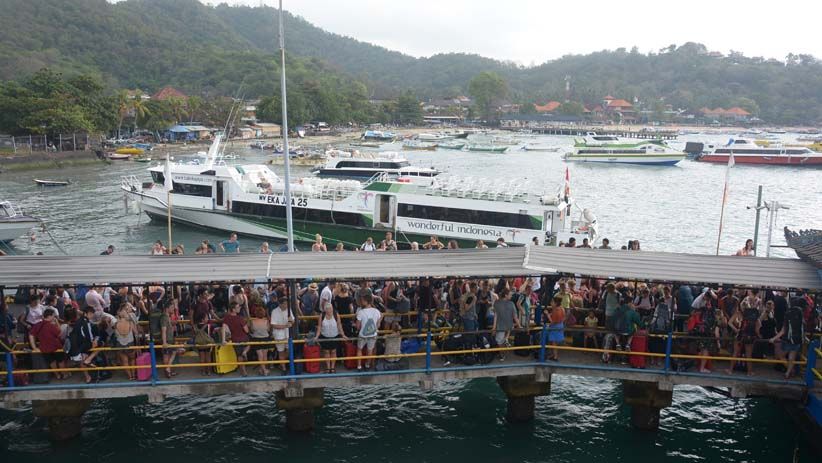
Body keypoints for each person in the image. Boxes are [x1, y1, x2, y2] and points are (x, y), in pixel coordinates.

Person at [769, 299, 806, 379]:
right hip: (798, 339)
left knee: (781, 355)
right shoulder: (800, 313)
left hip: (788, 340)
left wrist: (773, 338)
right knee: (791, 357)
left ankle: (791, 371)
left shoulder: (788, 313)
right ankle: (788, 373)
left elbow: (783, 330)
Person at [29, 308, 67, 380]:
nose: (54, 317)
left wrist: (34, 347)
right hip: (56, 347)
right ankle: (64, 374)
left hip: (44, 348)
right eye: (53, 316)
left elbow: (31, 335)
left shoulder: (38, 325)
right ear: (49, 316)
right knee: (60, 360)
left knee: (51, 362)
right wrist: (57, 323)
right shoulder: (51, 326)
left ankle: (57, 375)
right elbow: (60, 334)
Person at [726, 300, 759, 376]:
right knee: (748, 355)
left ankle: (730, 370)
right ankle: (749, 372)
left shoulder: (738, 313)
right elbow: (758, 325)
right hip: (749, 336)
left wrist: (736, 330)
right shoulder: (752, 315)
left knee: (735, 353)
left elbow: (729, 322)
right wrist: (757, 334)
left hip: (740, 335)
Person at [314, 301, 347, 373]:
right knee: (326, 352)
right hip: (325, 336)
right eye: (328, 309)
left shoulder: (336, 315)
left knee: (333, 351)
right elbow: (319, 326)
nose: (330, 311)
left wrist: (343, 334)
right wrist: (317, 336)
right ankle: (328, 367)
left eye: (331, 309)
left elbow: (339, 325)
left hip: (334, 336)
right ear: (325, 310)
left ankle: (332, 367)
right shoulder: (322, 315)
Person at [355, 289, 382, 371]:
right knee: (370, 350)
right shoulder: (377, 311)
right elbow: (378, 325)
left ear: (365, 301)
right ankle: (367, 365)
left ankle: (359, 366)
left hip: (363, 335)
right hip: (373, 334)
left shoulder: (361, 312)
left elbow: (357, 326)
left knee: (359, 349)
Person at [222, 301, 249, 377]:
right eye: (238, 307)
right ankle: (245, 351)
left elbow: (223, 328)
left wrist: (223, 340)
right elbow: (247, 330)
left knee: (239, 355)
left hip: (235, 339)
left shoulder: (227, 318)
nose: (239, 308)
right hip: (244, 338)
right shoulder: (240, 318)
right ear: (233, 309)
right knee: (248, 345)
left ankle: (243, 371)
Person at [492, 288, 520, 361]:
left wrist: (494, 327)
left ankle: (502, 354)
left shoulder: (497, 303)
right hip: (509, 326)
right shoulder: (511, 304)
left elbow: (495, 315)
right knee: (501, 341)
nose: (511, 296)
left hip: (501, 326)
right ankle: (506, 340)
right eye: (510, 295)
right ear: (506, 295)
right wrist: (519, 325)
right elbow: (515, 316)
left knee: (499, 341)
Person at [112, 305, 138, 380]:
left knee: (124, 361)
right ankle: (134, 375)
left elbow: (114, 333)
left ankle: (130, 376)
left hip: (120, 344)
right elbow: (136, 333)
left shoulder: (116, 323)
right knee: (132, 359)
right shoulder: (130, 322)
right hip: (130, 343)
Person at [160, 299, 184, 378]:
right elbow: (163, 330)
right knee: (168, 355)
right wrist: (164, 342)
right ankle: (168, 370)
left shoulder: (167, 317)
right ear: (167, 308)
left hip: (169, 338)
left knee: (172, 353)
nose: (173, 309)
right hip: (167, 339)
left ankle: (168, 370)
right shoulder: (164, 317)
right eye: (172, 308)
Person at [269, 297, 294, 373]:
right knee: (281, 351)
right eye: (285, 304)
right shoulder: (274, 312)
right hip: (279, 335)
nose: (286, 305)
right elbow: (273, 325)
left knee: (289, 350)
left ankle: (281, 362)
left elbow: (293, 321)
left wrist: (291, 321)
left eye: (287, 303)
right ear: (280, 304)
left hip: (288, 335)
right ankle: (283, 368)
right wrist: (285, 326)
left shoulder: (289, 310)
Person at [248, 305, 271, 376]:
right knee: (265, 356)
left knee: (260, 356)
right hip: (265, 338)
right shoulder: (266, 321)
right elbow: (268, 330)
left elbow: (252, 330)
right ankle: (264, 370)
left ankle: (262, 370)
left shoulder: (252, 321)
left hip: (256, 339)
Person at [546, 296, 566, 361]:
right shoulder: (562, 308)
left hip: (555, 327)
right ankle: (553, 355)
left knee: (554, 342)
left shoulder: (555, 310)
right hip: (560, 325)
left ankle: (555, 357)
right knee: (554, 342)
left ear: (556, 303)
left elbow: (552, 322)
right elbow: (563, 317)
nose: (551, 303)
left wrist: (548, 315)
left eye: (552, 302)